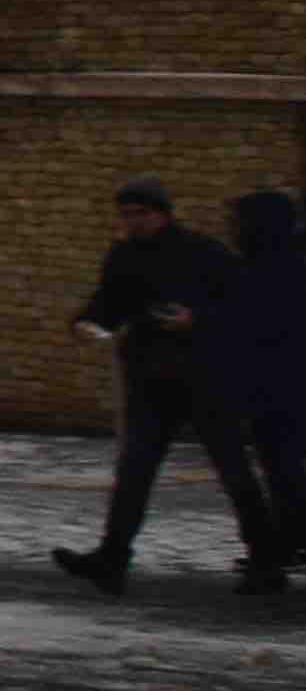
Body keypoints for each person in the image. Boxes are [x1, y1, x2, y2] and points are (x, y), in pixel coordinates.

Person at [55, 177, 268, 595]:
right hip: (150, 380)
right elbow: (110, 302)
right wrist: (87, 322)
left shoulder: (203, 252)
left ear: (163, 213)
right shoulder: (124, 256)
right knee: (134, 471)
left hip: (205, 378)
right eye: (126, 215)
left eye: (141, 214)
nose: (133, 222)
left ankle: (265, 558)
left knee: (232, 468)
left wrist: (198, 319)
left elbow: (242, 305)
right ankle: (112, 558)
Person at [204, 190, 306, 601]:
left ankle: (274, 558)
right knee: (283, 474)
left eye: (240, 223)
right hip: (274, 390)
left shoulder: (261, 273)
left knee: (283, 474)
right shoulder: (277, 266)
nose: (233, 231)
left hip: (279, 391)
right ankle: (277, 552)